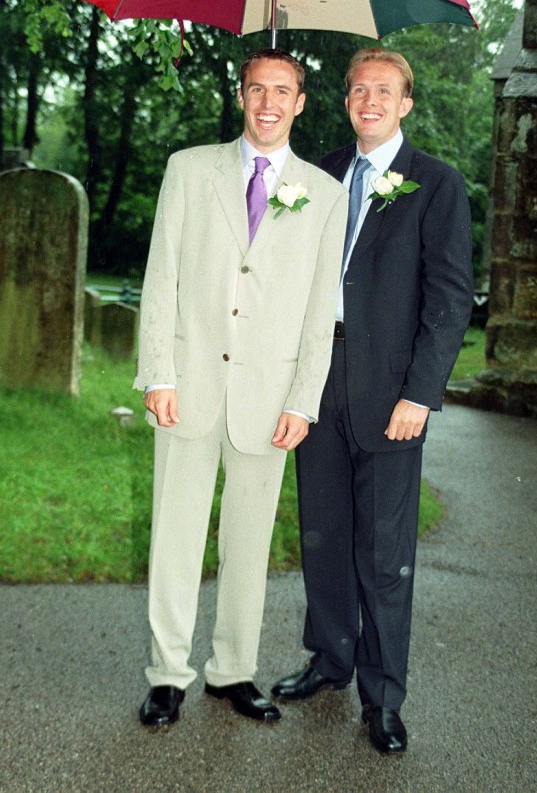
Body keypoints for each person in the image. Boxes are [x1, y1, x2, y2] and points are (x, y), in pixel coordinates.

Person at [134, 48, 348, 729]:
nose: (268, 103)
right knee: (175, 533)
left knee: (249, 541)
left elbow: (322, 311)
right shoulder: (189, 170)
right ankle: (168, 674)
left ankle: (232, 669)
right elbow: (160, 276)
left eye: (281, 90)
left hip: (269, 398)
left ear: (301, 101)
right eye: (257, 88)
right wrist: (158, 372)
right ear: (241, 95)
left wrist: (302, 399)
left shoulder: (326, 193)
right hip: (188, 384)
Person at [272, 46, 474, 754]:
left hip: (392, 394)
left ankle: (382, 693)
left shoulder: (434, 185)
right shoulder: (318, 174)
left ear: (406, 102)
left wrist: (420, 392)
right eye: (358, 89)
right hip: (316, 381)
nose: (369, 99)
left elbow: (450, 302)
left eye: (383, 90)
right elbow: (278, 250)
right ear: (346, 101)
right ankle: (328, 660)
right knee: (323, 533)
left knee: (385, 552)